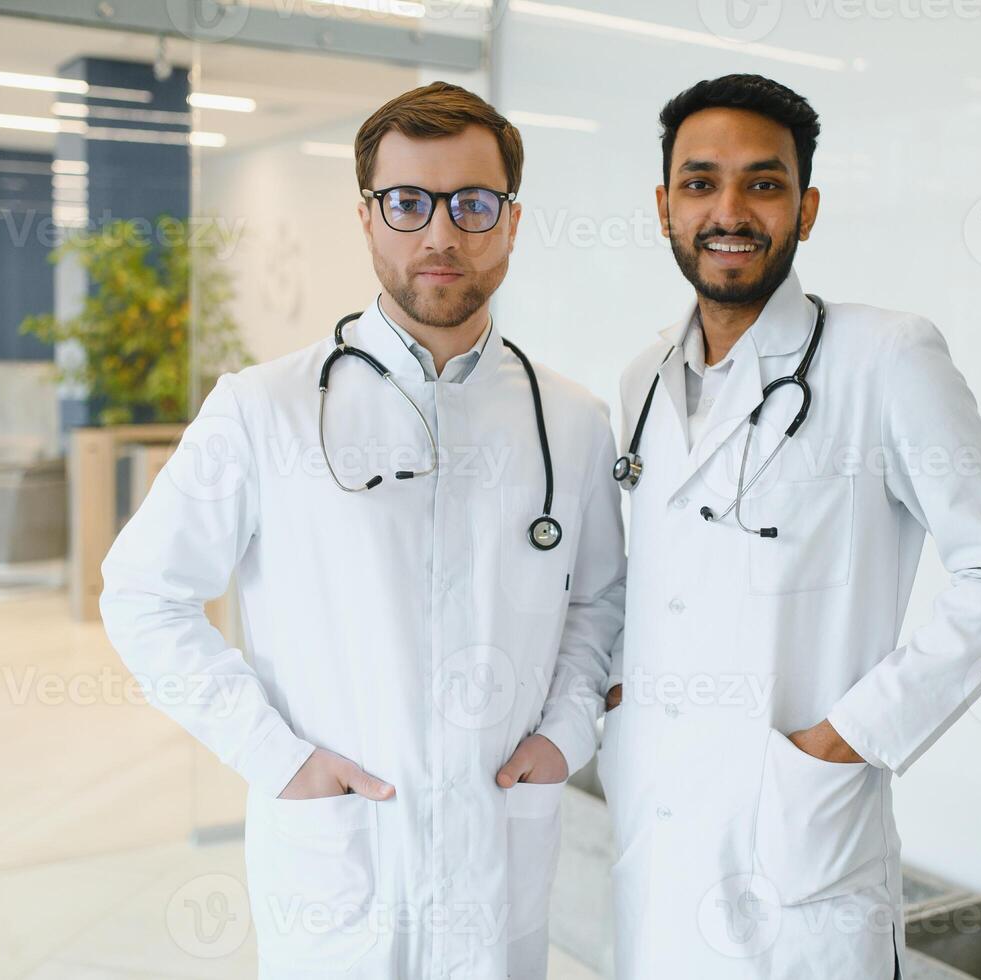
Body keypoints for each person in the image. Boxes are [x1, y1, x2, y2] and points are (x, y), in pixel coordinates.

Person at [99, 81, 625, 980]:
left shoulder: (568, 420)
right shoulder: (266, 409)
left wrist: (566, 737)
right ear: (367, 218)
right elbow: (144, 594)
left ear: (510, 219)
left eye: (472, 203)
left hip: (500, 844)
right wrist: (278, 756)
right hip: (338, 857)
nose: (441, 235)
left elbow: (601, 605)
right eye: (408, 202)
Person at [598, 74, 981, 979]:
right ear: (663, 207)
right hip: (656, 829)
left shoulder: (884, 357)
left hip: (798, 843)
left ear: (805, 208)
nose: (728, 210)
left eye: (762, 184)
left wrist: (846, 737)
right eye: (699, 183)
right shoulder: (642, 379)